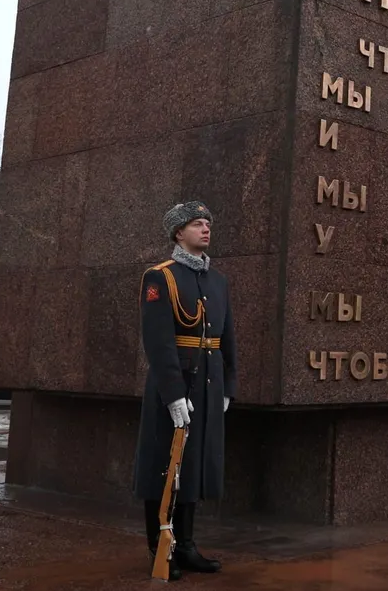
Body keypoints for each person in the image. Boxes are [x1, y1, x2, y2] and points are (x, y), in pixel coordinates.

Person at [132, 201, 238, 578]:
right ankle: (160, 546)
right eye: (197, 224)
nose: (206, 229)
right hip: (176, 384)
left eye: (208, 223)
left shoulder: (218, 281)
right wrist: (174, 393)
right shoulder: (161, 277)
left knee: (194, 466)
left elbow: (226, 338)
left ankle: (188, 545)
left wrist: (228, 383)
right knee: (164, 465)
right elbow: (158, 341)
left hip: (208, 384)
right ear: (179, 233)